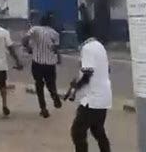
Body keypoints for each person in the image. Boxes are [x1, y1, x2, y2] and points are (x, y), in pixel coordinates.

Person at [69, 23, 112, 152]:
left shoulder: (87, 48)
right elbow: (106, 69)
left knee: (77, 132)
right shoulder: (100, 46)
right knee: (97, 130)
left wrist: (76, 86)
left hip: (93, 99)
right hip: (104, 97)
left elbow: (87, 73)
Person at [23, 12, 62, 118]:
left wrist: (28, 48)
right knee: (51, 83)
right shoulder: (55, 34)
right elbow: (55, 49)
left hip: (38, 63)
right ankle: (54, 95)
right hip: (50, 64)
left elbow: (25, 39)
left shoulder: (35, 29)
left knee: (39, 85)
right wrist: (58, 58)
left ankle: (43, 108)